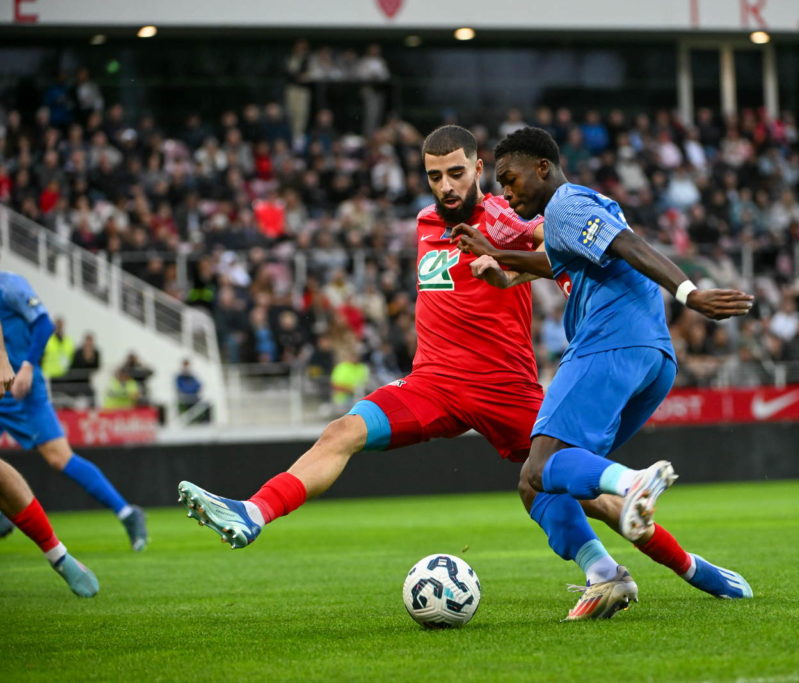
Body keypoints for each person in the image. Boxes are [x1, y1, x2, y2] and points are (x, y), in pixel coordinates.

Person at [177, 126, 718, 620]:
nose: (446, 185)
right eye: (435, 176)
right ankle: (253, 513)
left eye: (456, 173)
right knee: (342, 431)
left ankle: (679, 567)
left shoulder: (513, 217)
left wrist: (511, 263)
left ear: (478, 168)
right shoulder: (424, 222)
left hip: (504, 387)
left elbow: (559, 250)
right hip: (431, 384)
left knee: (560, 485)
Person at [453, 127, 755, 617]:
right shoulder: (570, 216)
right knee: (538, 481)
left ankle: (633, 484)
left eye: (510, 179)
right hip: (651, 359)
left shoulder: (566, 205)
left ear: (543, 168)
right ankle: (653, 573)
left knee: (543, 465)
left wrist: (689, 293)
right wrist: (499, 260)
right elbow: (559, 261)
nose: (507, 193)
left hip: (610, 342)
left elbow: (628, 244)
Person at [0, 271, 147, 550]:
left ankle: (127, 513)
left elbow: (44, 324)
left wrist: (28, 367)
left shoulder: (9, 285)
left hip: (22, 389)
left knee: (59, 457)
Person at [0, 319, 99, 597]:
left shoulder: (15, 293)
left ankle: (58, 555)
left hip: (32, 391)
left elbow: (43, 323)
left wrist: (4, 359)